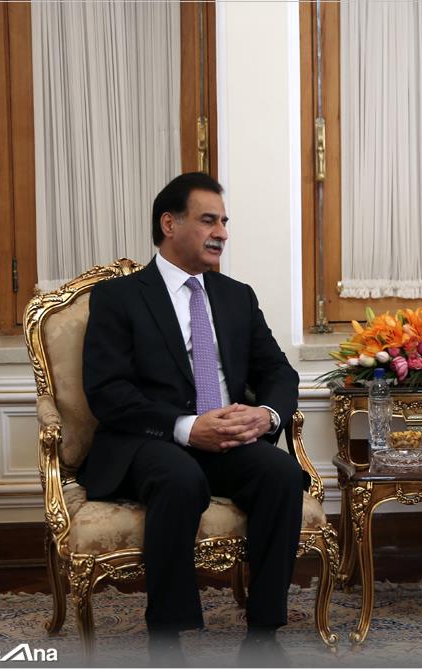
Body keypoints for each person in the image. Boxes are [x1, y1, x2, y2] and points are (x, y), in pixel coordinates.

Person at [81, 172, 306, 666]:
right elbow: (108, 392)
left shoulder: (236, 296)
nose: (221, 232)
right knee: (179, 477)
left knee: (283, 474)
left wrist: (266, 415)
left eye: (224, 221)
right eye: (208, 220)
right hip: (151, 441)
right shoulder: (119, 297)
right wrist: (186, 427)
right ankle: (167, 637)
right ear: (170, 224)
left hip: (226, 439)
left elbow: (277, 371)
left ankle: (263, 634)